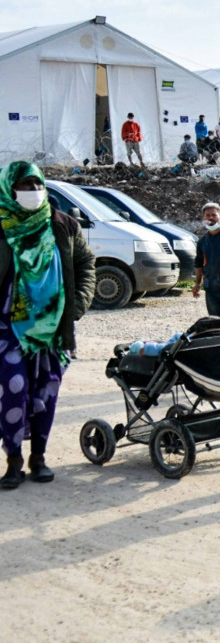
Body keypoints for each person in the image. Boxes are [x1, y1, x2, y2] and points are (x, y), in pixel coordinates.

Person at [0, 162, 95, 489]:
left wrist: (78, 304)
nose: (32, 193)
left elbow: (86, 264)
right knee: (14, 387)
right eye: (24, 187)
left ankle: (37, 457)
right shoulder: (1, 225)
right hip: (6, 327)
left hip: (51, 329)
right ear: (9, 189)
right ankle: (13, 459)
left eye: (36, 185)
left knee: (47, 390)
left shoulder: (63, 224)